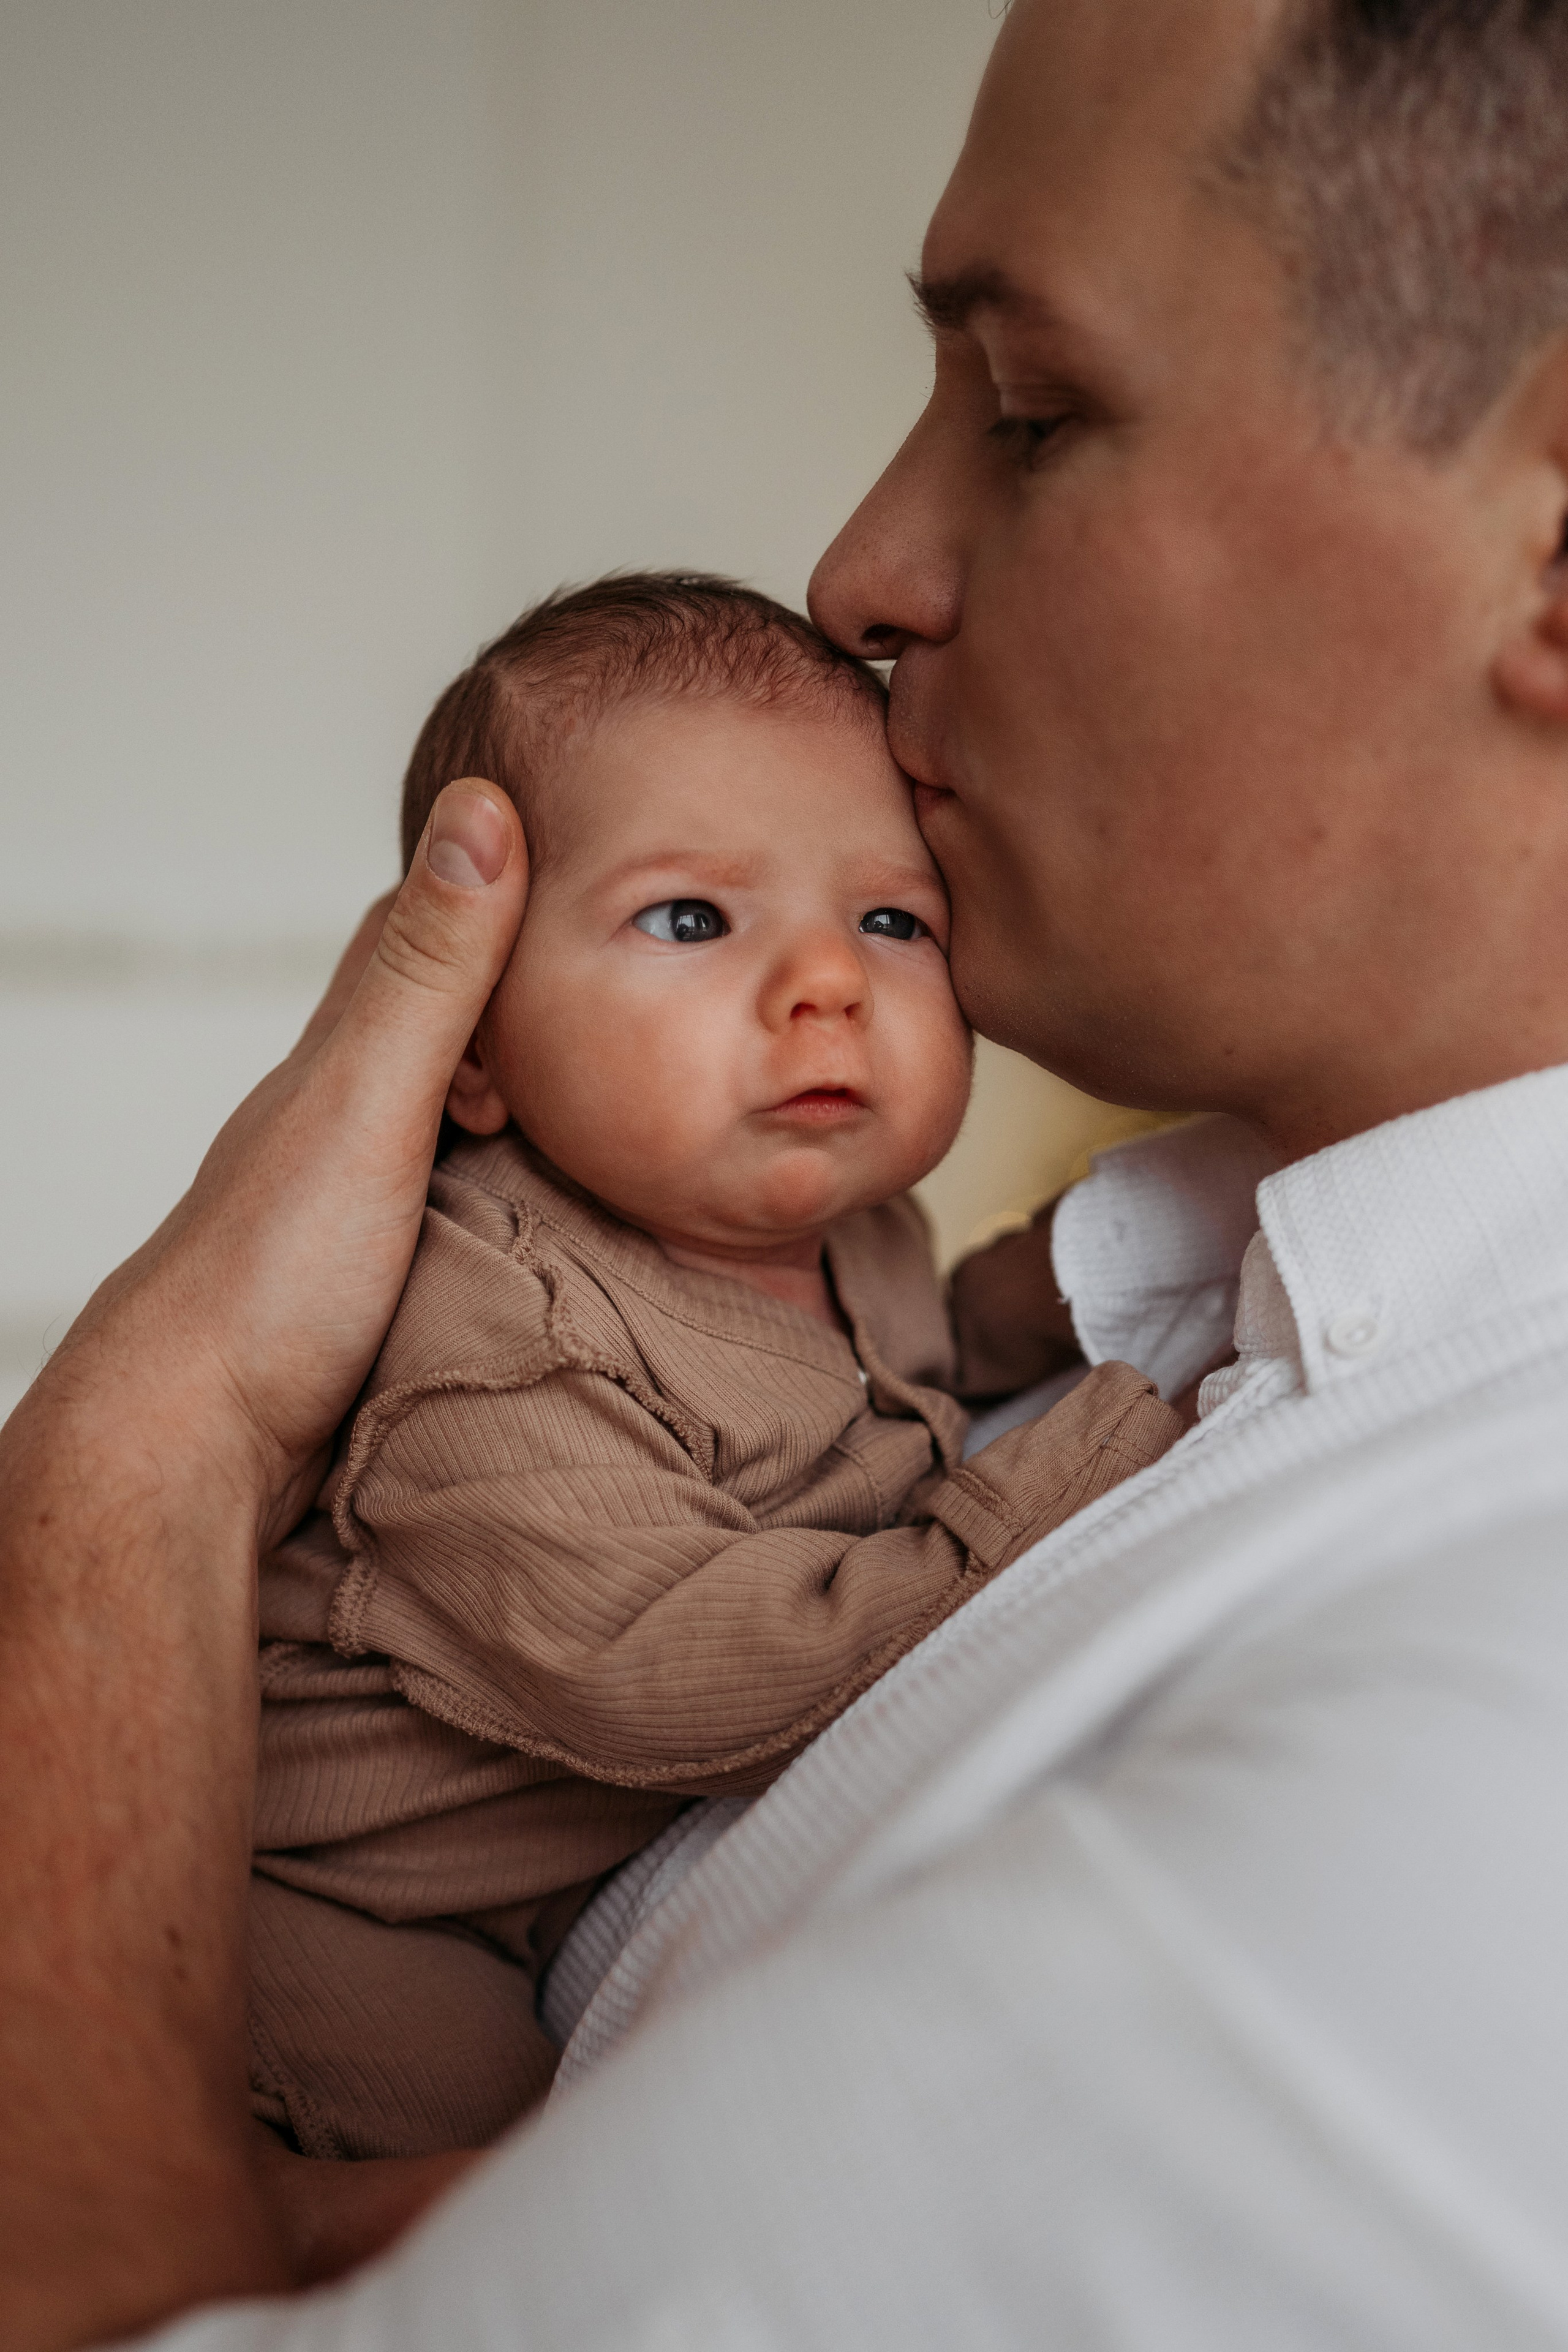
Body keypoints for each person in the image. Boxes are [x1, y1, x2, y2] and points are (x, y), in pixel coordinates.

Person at [7, 0, 1568, 2337]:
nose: (855, 568)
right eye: (691, 920)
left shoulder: (1469, 1791)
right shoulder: (1164, 1289)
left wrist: (128, 1466)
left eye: (1033, 415)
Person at [249, 572, 1171, 2162]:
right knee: (516, 2178)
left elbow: (908, 1363)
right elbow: (679, 1670)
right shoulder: (487, 1346)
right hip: (334, 1914)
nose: (828, 983)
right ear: (471, 1042)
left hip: (554, 1879)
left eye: (891, 919)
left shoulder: (852, 1224)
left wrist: (1098, 1271)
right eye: (691, 918)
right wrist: (1063, 1471)